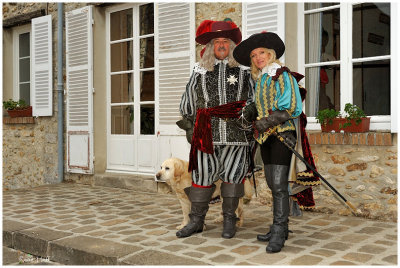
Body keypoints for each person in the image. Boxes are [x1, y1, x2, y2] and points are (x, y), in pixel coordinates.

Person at [233, 32, 319, 253]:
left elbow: (291, 106)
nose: (258, 57)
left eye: (261, 52)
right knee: (273, 184)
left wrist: (268, 121)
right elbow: (257, 105)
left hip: (282, 135)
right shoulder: (260, 79)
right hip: (265, 137)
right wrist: (250, 112)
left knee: (280, 185)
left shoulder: (282, 74)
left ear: (270, 53)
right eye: (253, 55)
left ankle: (280, 232)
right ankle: (278, 226)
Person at [176, 19, 254, 239]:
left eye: (225, 41)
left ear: (232, 45)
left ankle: (230, 220)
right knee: (201, 176)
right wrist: (189, 125)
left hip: (236, 133)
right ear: (210, 46)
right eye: (217, 41)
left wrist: (250, 112)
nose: (221, 45)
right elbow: (188, 99)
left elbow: (255, 98)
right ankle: (196, 221)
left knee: (233, 176)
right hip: (205, 132)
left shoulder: (245, 71)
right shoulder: (199, 70)